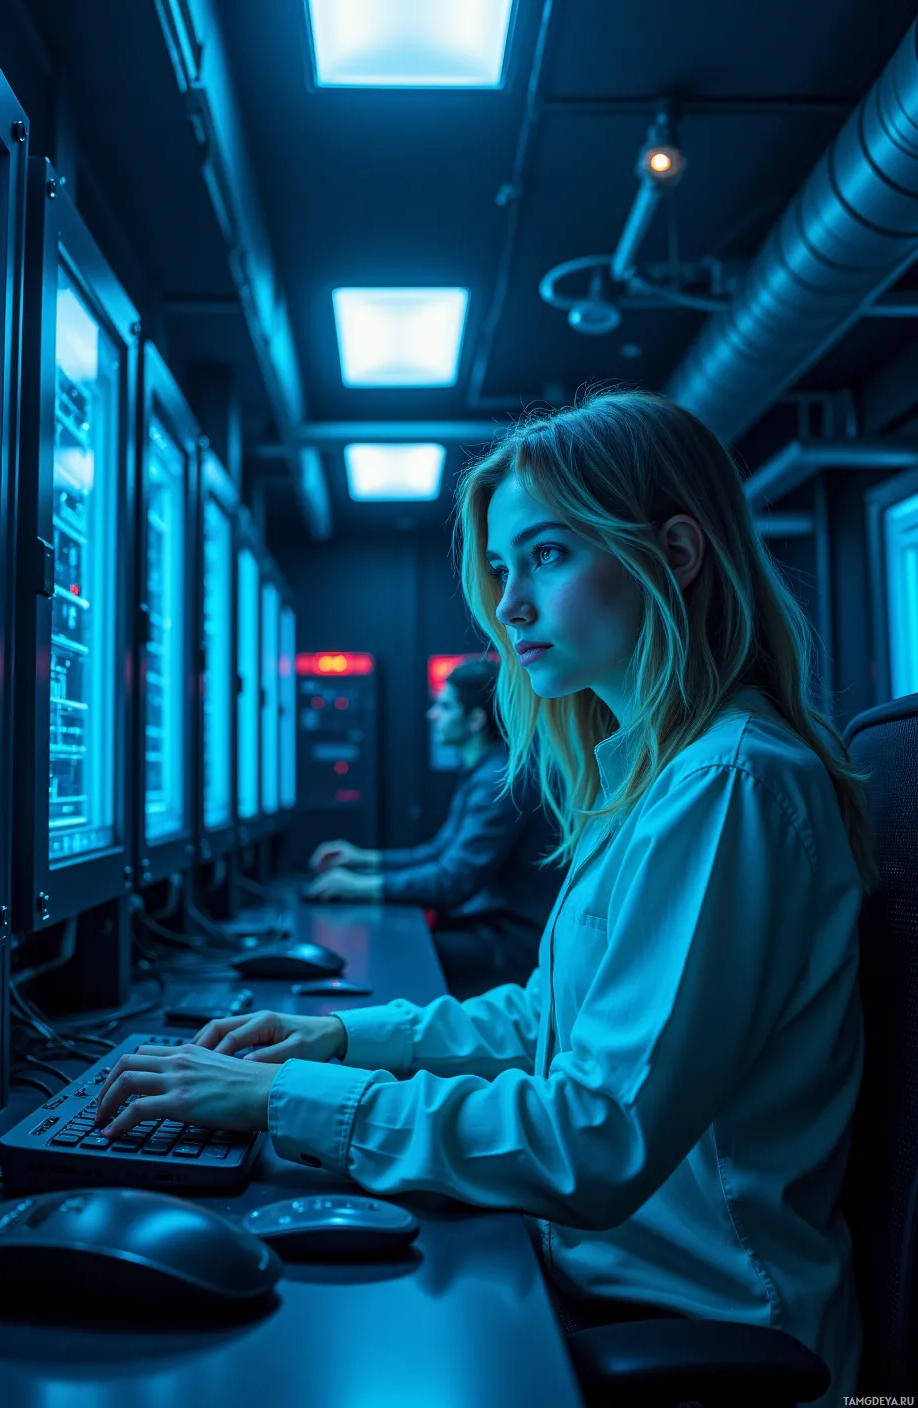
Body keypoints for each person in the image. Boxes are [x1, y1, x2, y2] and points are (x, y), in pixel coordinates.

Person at [95, 389, 876, 1408]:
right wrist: (336, 1042)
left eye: (547, 555)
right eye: (503, 567)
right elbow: (544, 1020)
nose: (508, 605)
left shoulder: (729, 785)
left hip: (704, 1324)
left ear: (675, 554)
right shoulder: (651, 777)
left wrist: (284, 1102)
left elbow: (596, 1135)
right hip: (608, 1277)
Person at [304, 658, 562, 999]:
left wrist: (361, 886)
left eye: (444, 705)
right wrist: (364, 859)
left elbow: (453, 880)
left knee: (392, 951)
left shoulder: (498, 781)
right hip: (495, 926)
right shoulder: (487, 770)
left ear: (474, 720)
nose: (433, 715)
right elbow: (439, 853)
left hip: (512, 940)